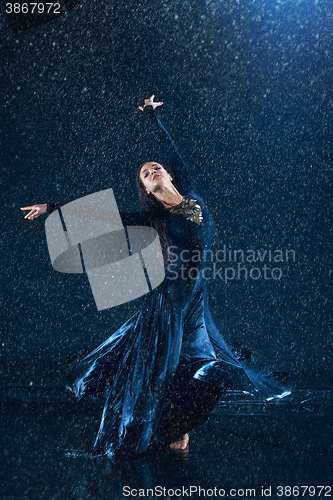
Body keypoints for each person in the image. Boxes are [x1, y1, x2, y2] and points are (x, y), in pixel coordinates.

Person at [21, 95, 292, 457]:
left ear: (168, 174)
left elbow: (173, 149)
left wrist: (153, 116)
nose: (152, 171)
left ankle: (176, 427)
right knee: (159, 372)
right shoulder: (157, 220)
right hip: (168, 302)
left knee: (205, 365)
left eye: (156, 168)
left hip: (195, 300)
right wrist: (54, 208)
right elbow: (105, 216)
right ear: (146, 189)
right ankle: (155, 431)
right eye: (145, 174)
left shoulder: (192, 196)